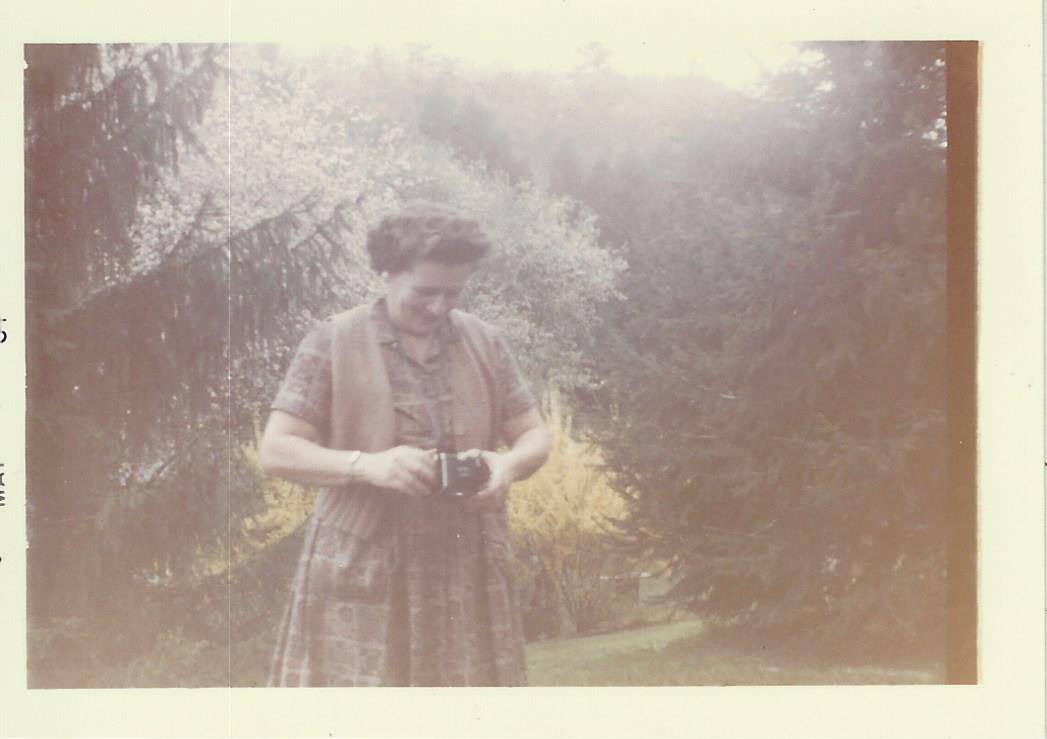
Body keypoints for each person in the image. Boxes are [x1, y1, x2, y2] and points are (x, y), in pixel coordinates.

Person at [260, 201, 551, 687]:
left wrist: (509, 467)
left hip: (467, 568)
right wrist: (366, 466)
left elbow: (534, 434)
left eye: (453, 293)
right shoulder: (331, 340)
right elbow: (277, 450)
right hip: (361, 570)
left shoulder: (485, 341)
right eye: (425, 292)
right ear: (389, 272)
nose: (439, 307)